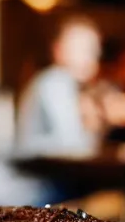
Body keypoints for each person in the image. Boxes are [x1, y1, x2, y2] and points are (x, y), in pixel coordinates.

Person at [17, 16, 102, 153]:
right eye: (80, 48)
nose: (88, 58)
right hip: (39, 171)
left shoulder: (63, 84)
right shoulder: (54, 82)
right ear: (58, 50)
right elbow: (72, 143)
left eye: (92, 50)